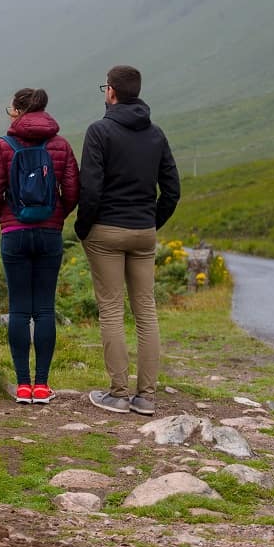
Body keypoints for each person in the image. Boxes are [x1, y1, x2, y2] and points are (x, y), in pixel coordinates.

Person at [76, 65, 180, 417]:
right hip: (143, 231)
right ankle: (146, 398)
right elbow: (172, 190)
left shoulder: (99, 131)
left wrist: (84, 227)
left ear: (112, 92)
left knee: (111, 309)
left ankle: (118, 394)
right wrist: (151, 221)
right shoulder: (156, 134)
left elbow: (90, 188)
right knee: (146, 312)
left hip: (105, 231)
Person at [0, 88, 79, 404]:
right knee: (45, 308)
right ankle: (42, 385)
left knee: (20, 309)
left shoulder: (3, 145)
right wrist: (56, 216)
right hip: (50, 233)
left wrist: (8, 218)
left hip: (15, 234)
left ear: (17, 111)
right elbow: (73, 190)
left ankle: (23, 386)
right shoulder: (60, 145)